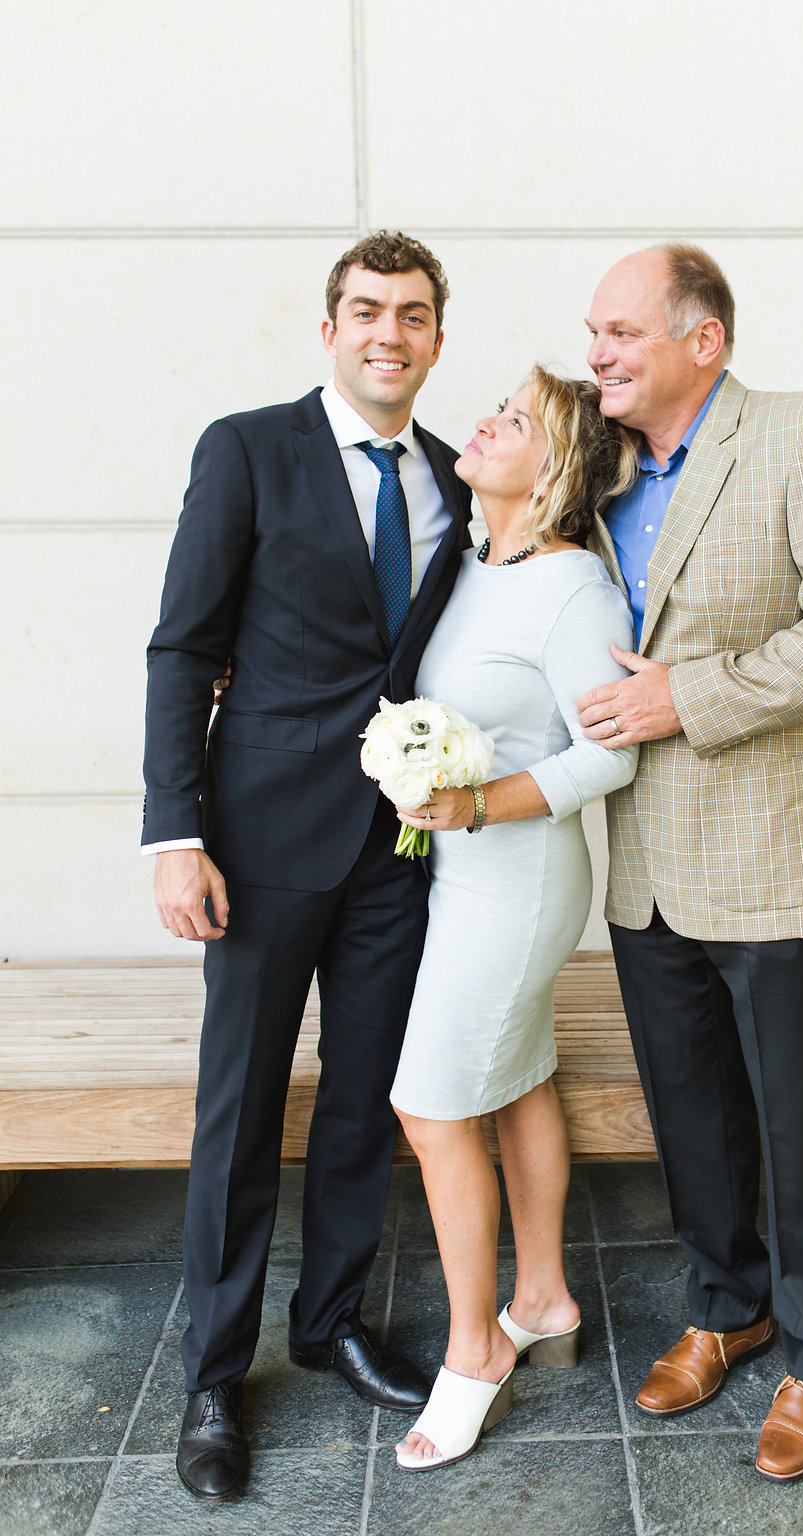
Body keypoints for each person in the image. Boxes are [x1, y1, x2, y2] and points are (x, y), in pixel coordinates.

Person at [142, 231, 473, 1501]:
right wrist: (178, 835)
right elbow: (184, 647)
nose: (389, 333)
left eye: (414, 315)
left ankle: (329, 1319)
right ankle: (214, 1377)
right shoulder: (246, 449)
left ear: (438, 339)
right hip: (262, 840)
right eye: (366, 310)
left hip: (398, 846)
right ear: (328, 327)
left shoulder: (454, 477)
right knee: (238, 1112)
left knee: (361, 1103)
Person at [576, 244, 803, 1481]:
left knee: (796, 1115)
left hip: (775, 852)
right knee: (692, 1115)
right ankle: (728, 1308)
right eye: (593, 333)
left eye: (620, 332)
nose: (597, 353)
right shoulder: (600, 470)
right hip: (646, 861)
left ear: (701, 339)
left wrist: (691, 699)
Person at [384, 366, 639, 1471]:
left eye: (515, 420)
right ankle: (542, 1299)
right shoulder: (479, 562)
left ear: (561, 468)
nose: (484, 423)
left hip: (522, 876)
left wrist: (475, 801)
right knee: (522, 1074)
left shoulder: (574, 585)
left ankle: (474, 1349)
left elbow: (609, 752)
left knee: (432, 1109)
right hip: (462, 875)